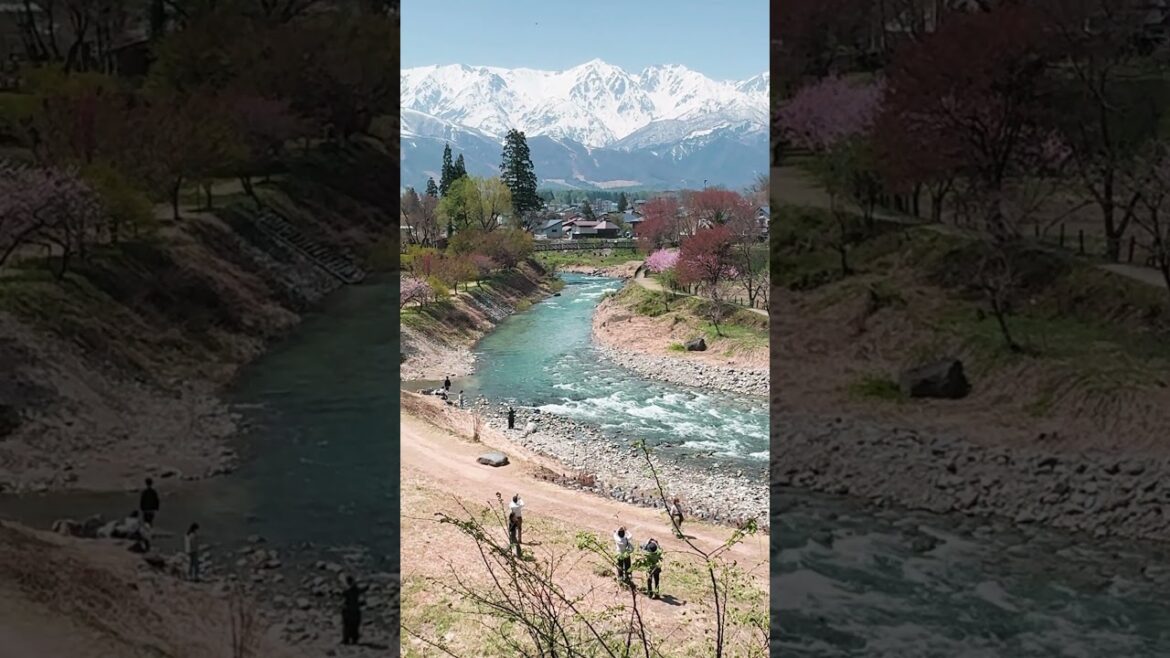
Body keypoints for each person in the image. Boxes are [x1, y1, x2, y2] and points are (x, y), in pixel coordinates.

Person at [341, 575, 363, 645]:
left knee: (347, 625)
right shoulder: (356, 590)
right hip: (355, 610)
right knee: (355, 626)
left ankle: (346, 640)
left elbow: (343, 595)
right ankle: (354, 640)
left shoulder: (347, 590)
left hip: (348, 610)